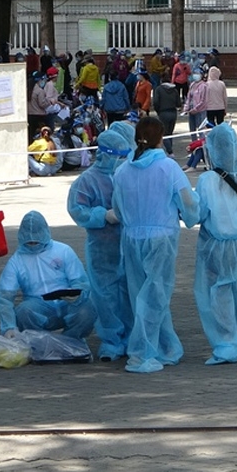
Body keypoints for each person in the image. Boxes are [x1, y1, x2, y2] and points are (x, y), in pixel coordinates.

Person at [111, 116, 200, 373]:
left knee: (141, 293)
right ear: (160, 138)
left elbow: (118, 207)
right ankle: (142, 353)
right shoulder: (168, 167)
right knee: (155, 295)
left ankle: (164, 346)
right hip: (161, 237)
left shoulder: (122, 170)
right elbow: (187, 200)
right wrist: (192, 217)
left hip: (132, 237)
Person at [193, 122, 237, 364]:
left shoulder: (206, 180)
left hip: (217, 244)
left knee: (218, 292)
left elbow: (200, 212)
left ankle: (226, 344)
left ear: (212, 148)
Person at [67, 128, 134, 360]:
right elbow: (77, 209)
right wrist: (102, 215)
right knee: (105, 293)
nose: (120, 160)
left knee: (128, 290)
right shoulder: (86, 181)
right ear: (105, 154)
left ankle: (132, 337)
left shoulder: (127, 174)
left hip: (128, 243)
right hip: (102, 246)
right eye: (117, 156)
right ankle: (111, 339)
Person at [0, 211, 94, 341]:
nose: (33, 244)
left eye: (36, 241)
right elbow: (4, 296)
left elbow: (80, 280)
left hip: (67, 303)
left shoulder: (63, 251)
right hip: (37, 306)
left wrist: (77, 295)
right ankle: (38, 343)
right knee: (24, 311)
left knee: (87, 308)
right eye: (29, 242)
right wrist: (9, 326)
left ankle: (71, 341)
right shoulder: (17, 260)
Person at [152, 77, 181, 156]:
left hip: (163, 112)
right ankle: (169, 149)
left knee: (164, 133)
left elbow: (156, 102)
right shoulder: (174, 90)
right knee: (170, 133)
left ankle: (169, 151)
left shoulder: (158, 89)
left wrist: (157, 110)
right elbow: (178, 103)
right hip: (173, 113)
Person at [29, 71, 55, 140]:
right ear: (40, 80)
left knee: (31, 135)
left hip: (30, 115)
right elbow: (42, 104)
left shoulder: (29, 90)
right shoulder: (39, 91)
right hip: (39, 116)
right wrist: (50, 101)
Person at [184, 71, 209, 137]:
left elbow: (203, 100)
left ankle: (202, 142)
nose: (195, 75)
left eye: (198, 74)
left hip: (200, 110)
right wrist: (186, 108)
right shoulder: (192, 85)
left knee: (201, 129)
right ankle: (194, 142)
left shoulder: (204, 86)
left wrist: (196, 109)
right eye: (194, 73)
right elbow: (189, 97)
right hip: (191, 109)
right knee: (192, 130)